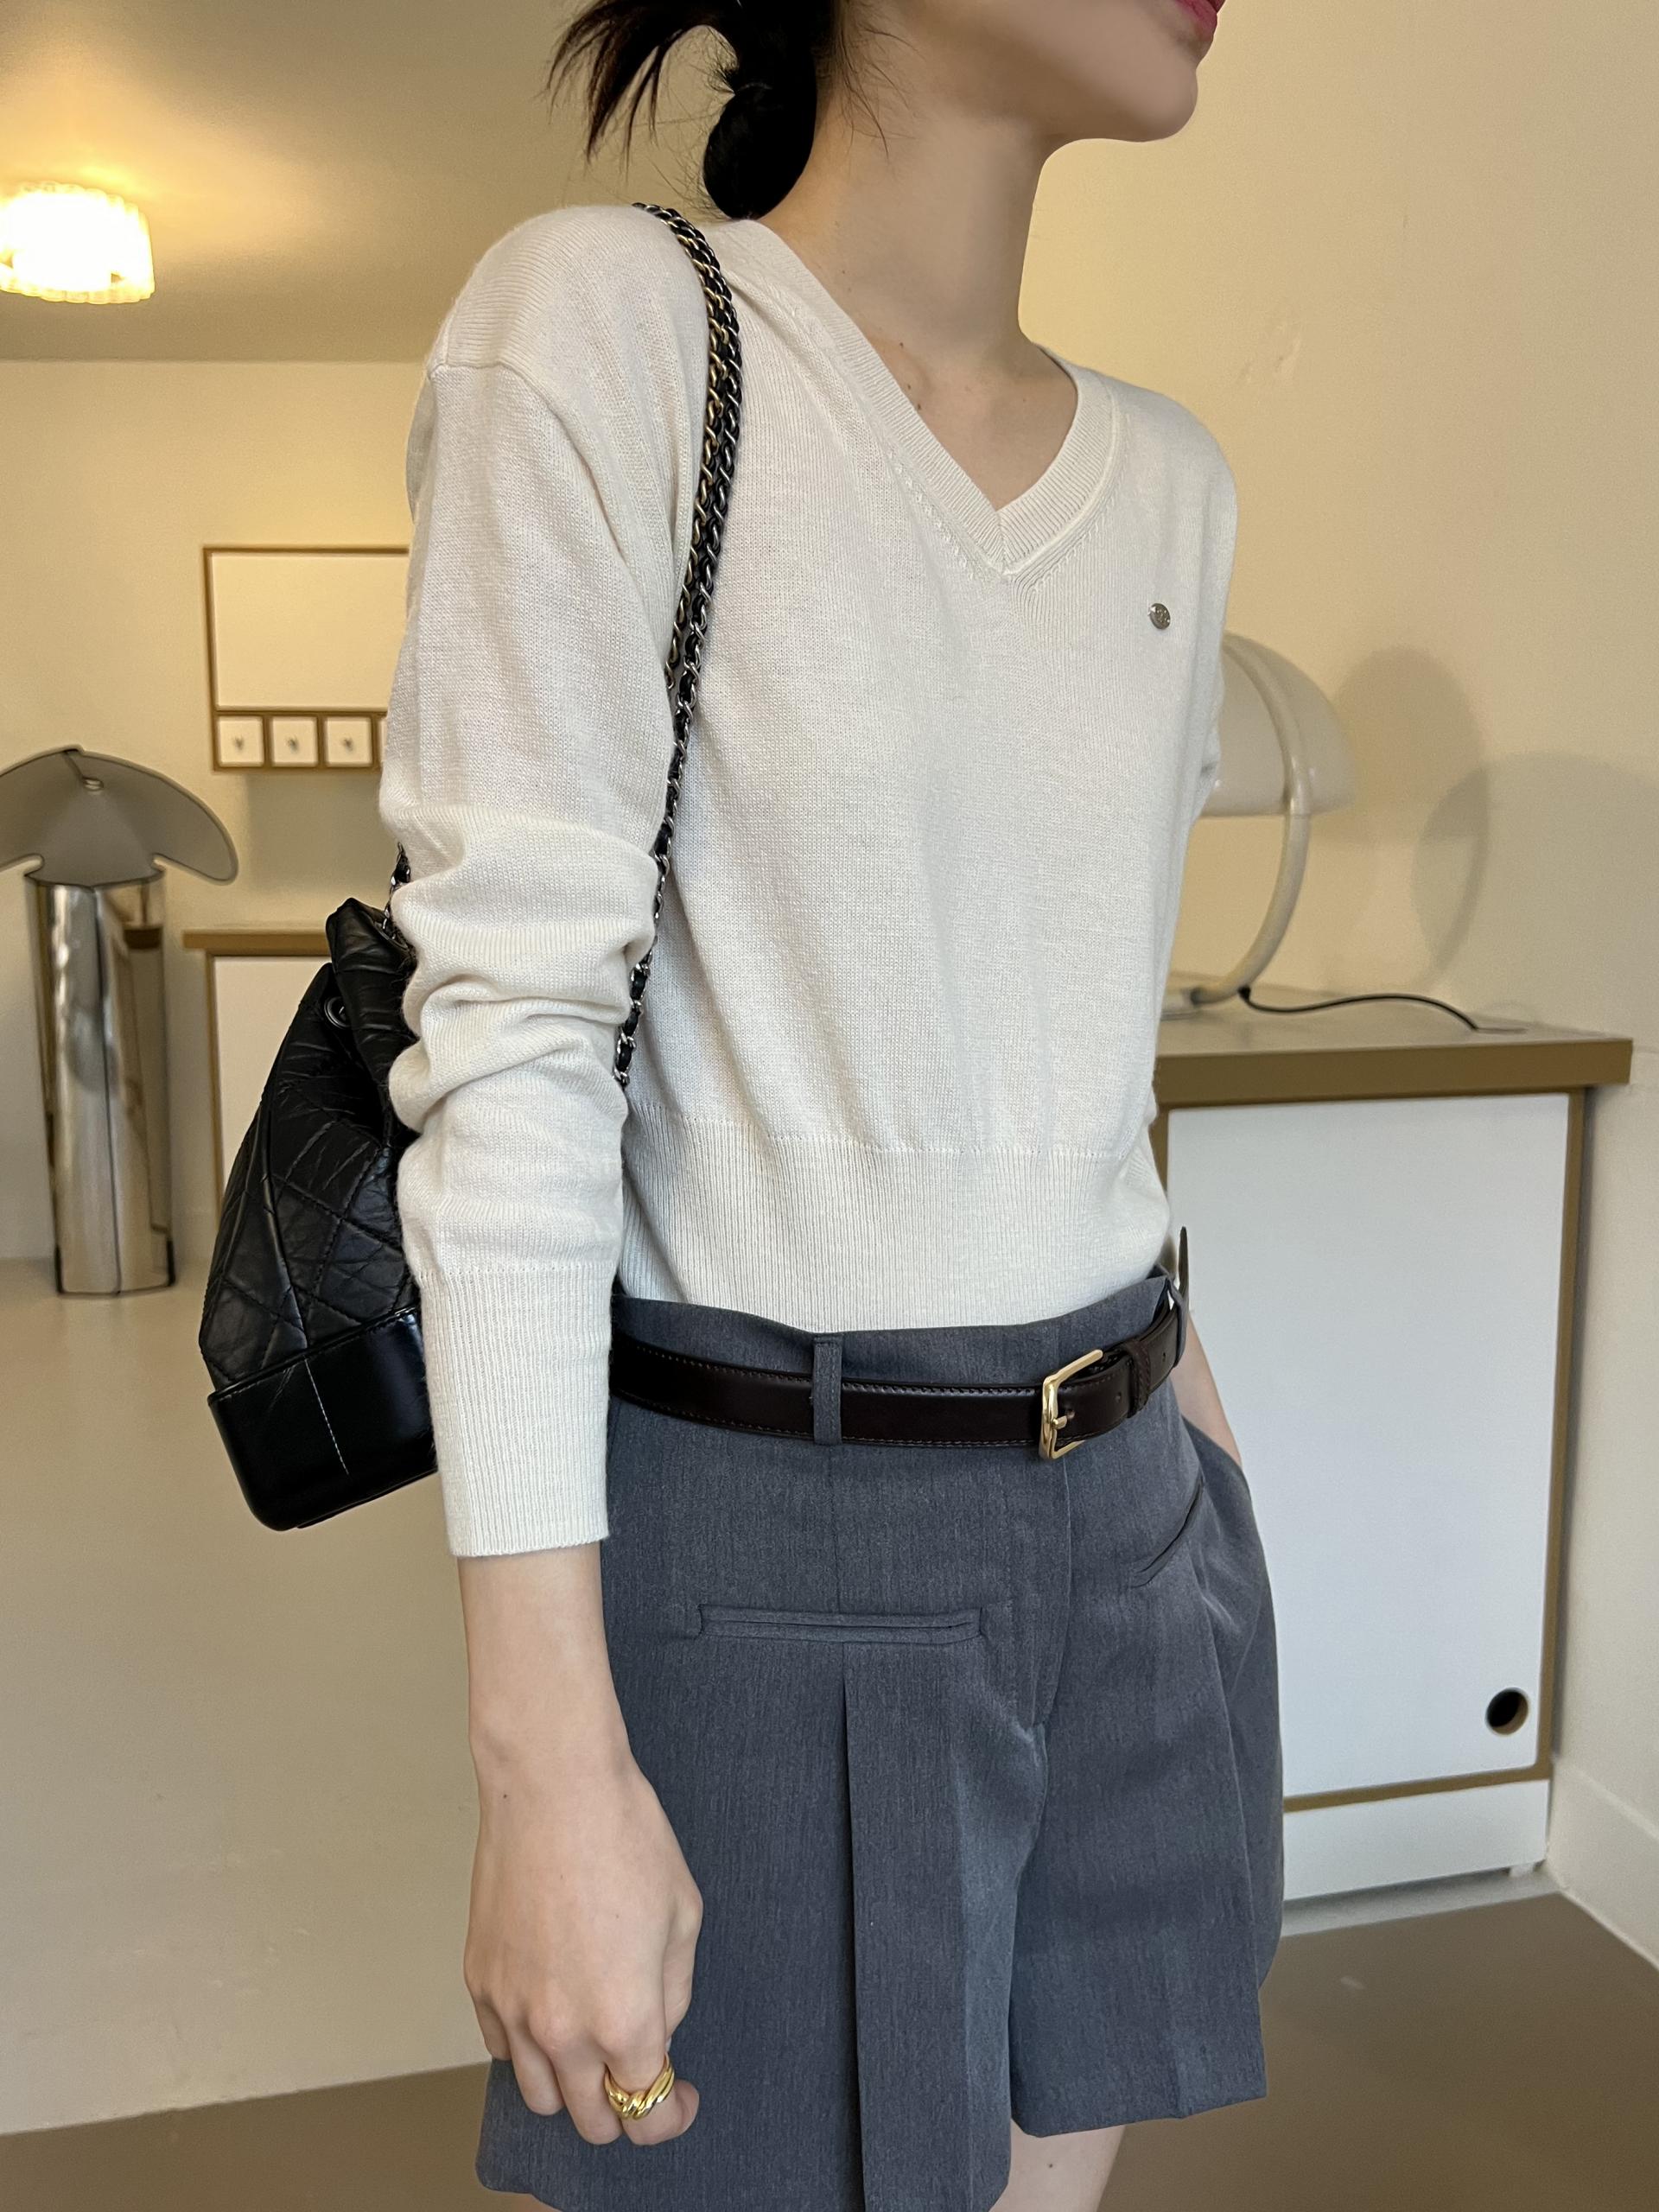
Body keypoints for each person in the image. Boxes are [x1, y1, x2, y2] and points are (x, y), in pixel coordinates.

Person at [377, 1, 1281, 2206]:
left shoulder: (1173, 482)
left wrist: (1213, 1482)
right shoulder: (609, 331)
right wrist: (544, 1763)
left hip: (1141, 1498)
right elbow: (512, 1050)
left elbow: (1089, 1055)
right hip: (780, 1525)